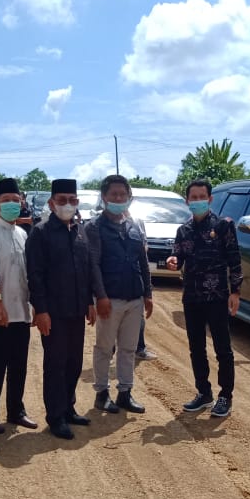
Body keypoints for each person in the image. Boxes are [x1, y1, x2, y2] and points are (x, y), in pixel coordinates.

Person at [164, 179, 242, 418]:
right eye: (193, 197)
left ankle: (225, 396)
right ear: (187, 201)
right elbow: (178, 257)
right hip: (192, 297)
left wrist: (235, 292)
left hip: (217, 296)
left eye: (201, 197)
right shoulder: (183, 230)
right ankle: (203, 392)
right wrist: (172, 261)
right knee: (196, 347)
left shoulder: (223, 225)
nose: (197, 201)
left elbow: (234, 260)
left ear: (209, 199)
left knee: (223, 349)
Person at [25, 178, 97, 439]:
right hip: (53, 312)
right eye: (63, 200)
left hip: (77, 309)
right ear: (52, 203)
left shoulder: (80, 231)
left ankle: (68, 408)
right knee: (55, 364)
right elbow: (35, 274)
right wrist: (41, 310)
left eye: (73, 200)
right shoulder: (41, 232)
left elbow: (87, 268)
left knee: (74, 362)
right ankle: (55, 416)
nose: (68, 204)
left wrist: (89, 302)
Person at [85, 174, 153, 414]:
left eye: (123, 194)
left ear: (129, 197)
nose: (118, 198)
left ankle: (125, 392)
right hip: (109, 299)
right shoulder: (94, 227)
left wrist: (148, 293)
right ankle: (101, 393)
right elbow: (92, 265)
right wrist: (100, 297)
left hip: (134, 299)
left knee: (128, 348)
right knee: (105, 348)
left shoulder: (134, 225)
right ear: (104, 197)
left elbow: (142, 261)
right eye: (113, 194)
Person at [0, 178, 37, 433]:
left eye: (16, 200)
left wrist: (33, 305)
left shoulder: (23, 234)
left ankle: (16, 411)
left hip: (21, 312)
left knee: (19, 366)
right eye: (6, 201)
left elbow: (27, 274)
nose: (12, 204)